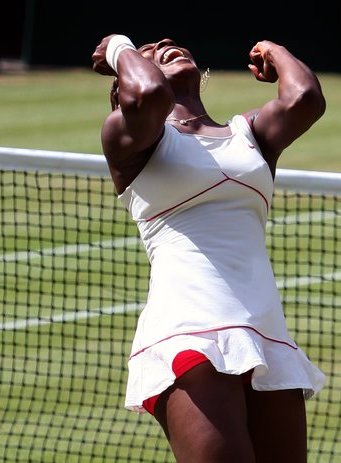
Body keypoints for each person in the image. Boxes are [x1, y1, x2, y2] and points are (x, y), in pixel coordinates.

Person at [91, 34, 326, 463]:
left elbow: (305, 98)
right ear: (122, 87)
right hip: (189, 331)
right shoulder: (130, 137)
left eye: (169, 43)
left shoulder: (249, 134)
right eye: (149, 52)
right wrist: (118, 47)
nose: (164, 43)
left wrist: (272, 49)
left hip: (266, 337)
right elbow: (148, 93)